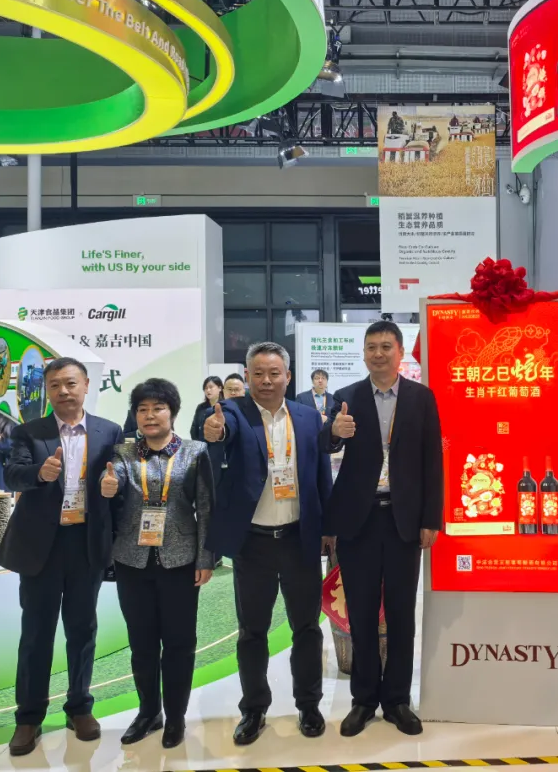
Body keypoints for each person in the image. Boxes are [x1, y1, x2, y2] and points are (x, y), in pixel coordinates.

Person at [201, 343, 331, 745]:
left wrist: (327, 528)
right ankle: (254, 709)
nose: (266, 381)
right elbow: (219, 429)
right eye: (258, 373)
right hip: (253, 544)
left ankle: (309, 704)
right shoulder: (235, 412)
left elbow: (320, 474)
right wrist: (214, 429)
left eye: (274, 373)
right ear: (247, 376)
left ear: (288, 376)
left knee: (306, 628)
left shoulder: (307, 418)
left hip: (298, 539)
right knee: (251, 632)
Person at [0, 358, 124, 756]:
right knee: (36, 633)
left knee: (82, 630)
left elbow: (120, 480)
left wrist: (115, 485)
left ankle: (79, 707)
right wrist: (40, 473)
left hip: (86, 544)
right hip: (42, 547)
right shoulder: (28, 432)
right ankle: (29, 716)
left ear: (85, 385)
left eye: (71, 383)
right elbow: (11, 474)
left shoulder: (109, 431)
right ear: (47, 391)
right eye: (55, 385)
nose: (64, 391)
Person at [322, 321, 442, 737]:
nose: (378, 354)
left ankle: (396, 700)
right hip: (359, 519)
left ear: (400, 352)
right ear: (364, 353)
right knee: (361, 612)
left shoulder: (421, 398)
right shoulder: (346, 397)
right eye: (371, 347)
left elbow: (432, 461)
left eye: (386, 346)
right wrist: (333, 433)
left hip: (404, 519)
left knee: (402, 613)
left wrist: (431, 518)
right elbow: (325, 445)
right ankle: (363, 700)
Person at [100, 379, 215, 749]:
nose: (150, 416)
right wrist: (108, 484)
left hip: (180, 560)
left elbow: (206, 508)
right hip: (132, 562)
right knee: (142, 643)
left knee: (179, 643)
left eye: (158, 408)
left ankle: (176, 717)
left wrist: (206, 558)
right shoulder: (123, 453)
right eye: (143, 409)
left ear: (173, 413)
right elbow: (113, 479)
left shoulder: (195, 452)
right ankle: (149, 712)